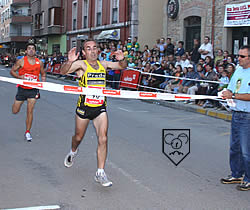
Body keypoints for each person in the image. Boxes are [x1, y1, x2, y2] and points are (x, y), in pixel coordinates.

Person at [60, 39, 127, 187]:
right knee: (78, 137)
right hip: (84, 107)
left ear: (98, 50)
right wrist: (69, 61)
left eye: (94, 48)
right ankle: (73, 151)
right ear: (84, 52)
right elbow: (63, 71)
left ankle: (100, 173)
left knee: (103, 139)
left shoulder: (103, 64)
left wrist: (122, 59)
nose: (92, 51)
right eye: (88, 49)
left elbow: (122, 66)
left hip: (100, 107)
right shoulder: (81, 65)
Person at [221, 45, 250, 191]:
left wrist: (232, 95)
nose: (238, 58)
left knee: (246, 150)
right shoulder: (238, 70)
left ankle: (249, 178)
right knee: (235, 147)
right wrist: (226, 92)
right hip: (237, 113)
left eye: (242, 56)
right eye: (238, 55)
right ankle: (237, 173)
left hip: (247, 116)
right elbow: (231, 87)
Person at [10, 43, 46, 141]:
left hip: (33, 90)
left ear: (35, 51)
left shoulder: (39, 62)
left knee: (30, 111)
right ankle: (17, 103)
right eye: (29, 48)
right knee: (15, 111)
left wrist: (43, 82)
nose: (31, 50)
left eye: (33, 49)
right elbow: (12, 71)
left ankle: (27, 132)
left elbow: (43, 73)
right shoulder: (21, 61)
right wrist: (19, 77)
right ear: (26, 51)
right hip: (22, 89)